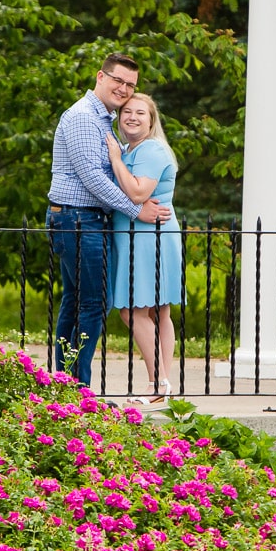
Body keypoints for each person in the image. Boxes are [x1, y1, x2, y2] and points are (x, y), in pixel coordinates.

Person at [46, 53, 171, 387]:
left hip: (83, 220)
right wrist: (136, 210)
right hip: (78, 219)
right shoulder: (85, 117)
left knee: (76, 302)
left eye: (131, 85)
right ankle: (78, 388)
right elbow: (93, 179)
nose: (124, 89)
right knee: (93, 303)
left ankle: (64, 384)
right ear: (101, 77)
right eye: (119, 80)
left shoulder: (104, 120)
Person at [105, 92, 183, 402]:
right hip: (140, 236)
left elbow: (138, 193)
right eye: (127, 111)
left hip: (149, 237)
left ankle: (157, 383)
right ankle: (162, 384)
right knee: (156, 311)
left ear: (151, 121)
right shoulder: (132, 150)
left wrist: (113, 159)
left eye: (140, 113)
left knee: (134, 311)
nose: (132, 117)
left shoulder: (150, 150)